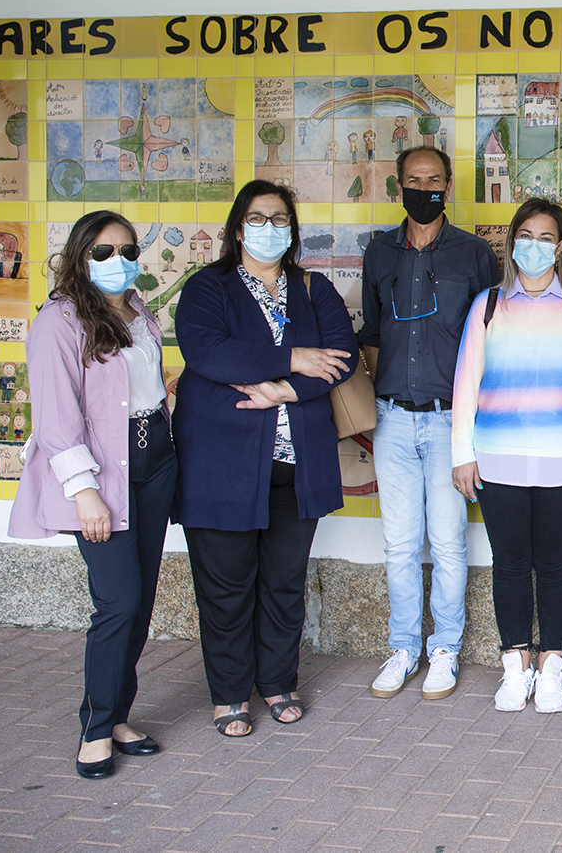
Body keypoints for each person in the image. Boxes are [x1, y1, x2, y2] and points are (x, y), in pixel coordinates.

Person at [173, 181, 357, 738]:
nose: (270, 227)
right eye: (258, 218)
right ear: (237, 228)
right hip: (221, 464)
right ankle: (230, 694)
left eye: (280, 219)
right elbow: (209, 351)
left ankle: (277, 682)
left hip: (298, 468)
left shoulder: (313, 287)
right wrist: (293, 356)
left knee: (283, 583)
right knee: (226, 588)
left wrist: (287, 390)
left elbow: (342, 357)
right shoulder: (208, 288)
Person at [9, 210, 174, 779]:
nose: (117, 262)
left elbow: (142, 388)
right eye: (103, 253)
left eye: (127, 251)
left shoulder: (135, 308)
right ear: (80, 257)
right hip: (103, 474)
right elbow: (57, 416)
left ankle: (115, 713)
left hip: (154, 462)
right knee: (118, 602)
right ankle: (96, 730)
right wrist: (84, 491)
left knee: (140, 603)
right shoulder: (58, 321)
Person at [450, 197, 562, 715]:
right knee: (511, 565)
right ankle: (515, 667)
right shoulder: (487, 305)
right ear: (512, 242)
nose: (535, 247)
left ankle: (552, 668)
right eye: (526, 236)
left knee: (557, 565)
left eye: (546, 238)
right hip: (497, 459)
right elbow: (466, 385)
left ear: (559, 247)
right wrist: (462, 455)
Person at [360, 146, 499, 702]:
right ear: (399, 186)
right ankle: (402, 647)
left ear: (448, 185)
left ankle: (444, 648)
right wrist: (377, 407)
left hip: (449, 423)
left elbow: (487, 337)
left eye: (434, 179)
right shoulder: (378, 253)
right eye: (414, 180)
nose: (425, 188)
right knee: (398, 545)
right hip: (392, 418)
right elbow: (370, 334)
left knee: (446, 542)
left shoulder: (473, 254)